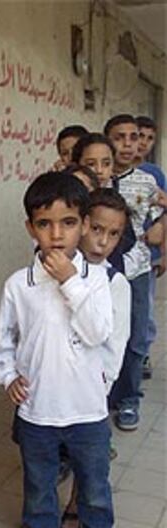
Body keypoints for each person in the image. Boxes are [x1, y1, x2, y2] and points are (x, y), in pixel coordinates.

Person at [0, 172, 119, 528]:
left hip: (87, 410)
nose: (57, 234)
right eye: (45, 224)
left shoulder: (98, 279)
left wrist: (69, 281)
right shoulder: (18, 285)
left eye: (68, 222)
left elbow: (100, 332)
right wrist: (7, 373)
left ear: (82, 224)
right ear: (31, 228)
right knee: (39, 483)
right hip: (37, 411)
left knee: (94, 483)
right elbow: (1, 340)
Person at [59, 188, 131, 528]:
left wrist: (102, 384)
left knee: (89, 459)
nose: (102, 241)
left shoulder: (115, 283)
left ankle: (77, 509)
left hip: (91, 389)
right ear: (82, 224)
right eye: (97, 229)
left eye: (113, 233)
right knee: (56, 452)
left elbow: (116, 342)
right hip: (55, 383)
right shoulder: (56, 270)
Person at [104, 114, 164, 431]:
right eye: (119, 137)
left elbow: (159, 220)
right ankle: (102, 396)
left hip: (137, 269)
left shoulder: (147, 181)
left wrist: (161, 237)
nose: (128, 144)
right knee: (101, 333)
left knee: (135, 336)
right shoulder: (94, 177)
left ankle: (129, 399)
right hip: (99, 271)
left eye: (133, 137)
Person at [135, 115, 166, 379]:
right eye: (138, 136)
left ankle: (142, 353)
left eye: (148, 137)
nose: (142, 142)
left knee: (145, 306)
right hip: (121, 253)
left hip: (149, 253)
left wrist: (164, 251)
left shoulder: (155, 174)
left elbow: (164, 213)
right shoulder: (112, 169)